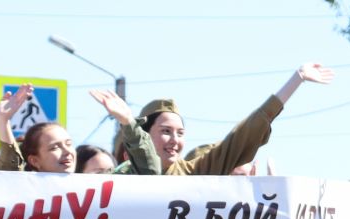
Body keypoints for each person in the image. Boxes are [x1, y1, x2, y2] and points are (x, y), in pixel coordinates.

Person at [118, 63, 334, 176]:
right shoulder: (118, 180)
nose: (175, 140)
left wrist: (297, 79)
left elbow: (244, 134)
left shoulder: (194, 173)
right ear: (144, 134)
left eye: (180, 133)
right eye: (166, 131)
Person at [0, 87, 158, 174]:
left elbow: (148, 172)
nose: (67, 151)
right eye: (54, 147)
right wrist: (3, 122)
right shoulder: (26, 192)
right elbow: (10, 179)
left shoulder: (95, 190)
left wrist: (127, 121)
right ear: (35, 161)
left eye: (68, 143)